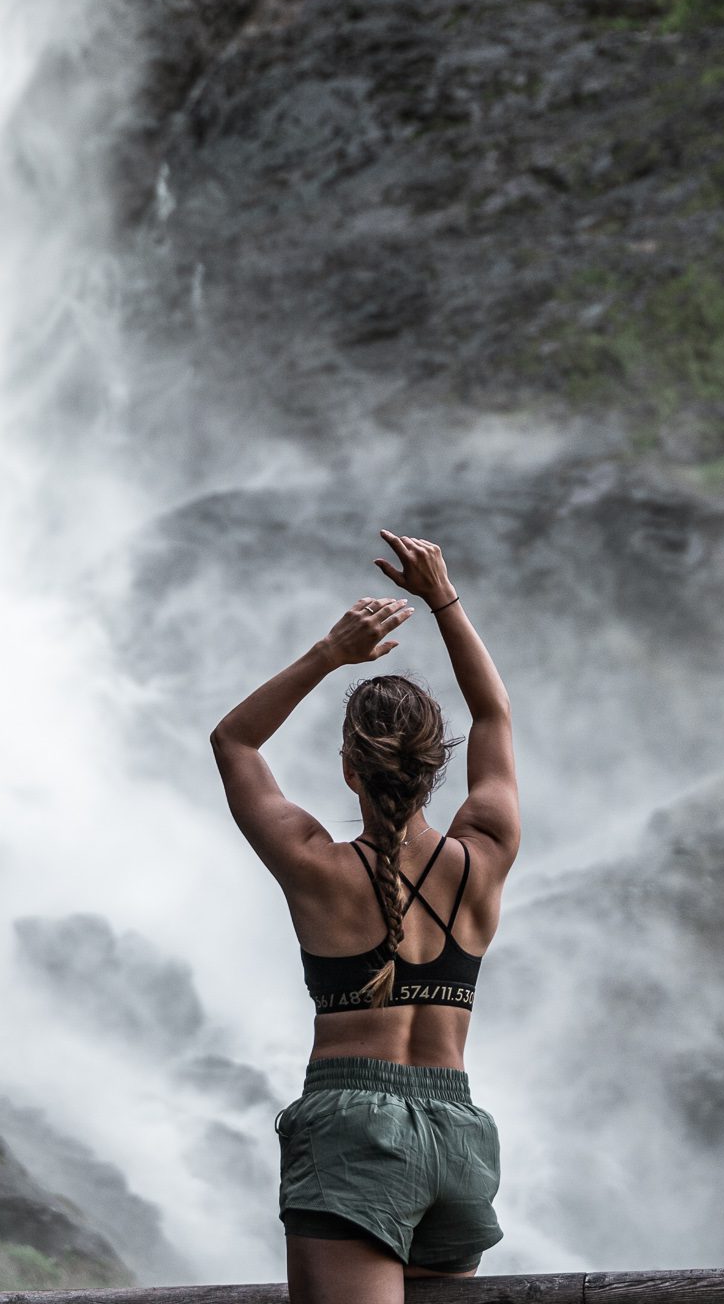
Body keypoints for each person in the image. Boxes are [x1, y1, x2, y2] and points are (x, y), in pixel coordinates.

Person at [209, 529, 520, 1301]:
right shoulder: (482, 855)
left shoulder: (316, 866)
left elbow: (234, 740)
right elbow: (494, 717)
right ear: (435, 768)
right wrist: (441, 597)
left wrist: (331, 652)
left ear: (348, 769)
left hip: (352, 1133)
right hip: (460, 1135)